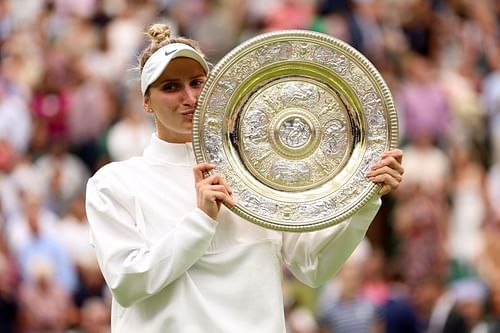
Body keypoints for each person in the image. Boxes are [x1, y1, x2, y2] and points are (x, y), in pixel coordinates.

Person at [85, 23, 404, 333]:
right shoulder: (114, 183)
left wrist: (365, 196)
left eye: (197, 83)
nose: (189, 97)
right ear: (146, 101)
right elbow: (127, 283)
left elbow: (312, 266)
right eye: (170, 87)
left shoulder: (256, 174)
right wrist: (201, 220)